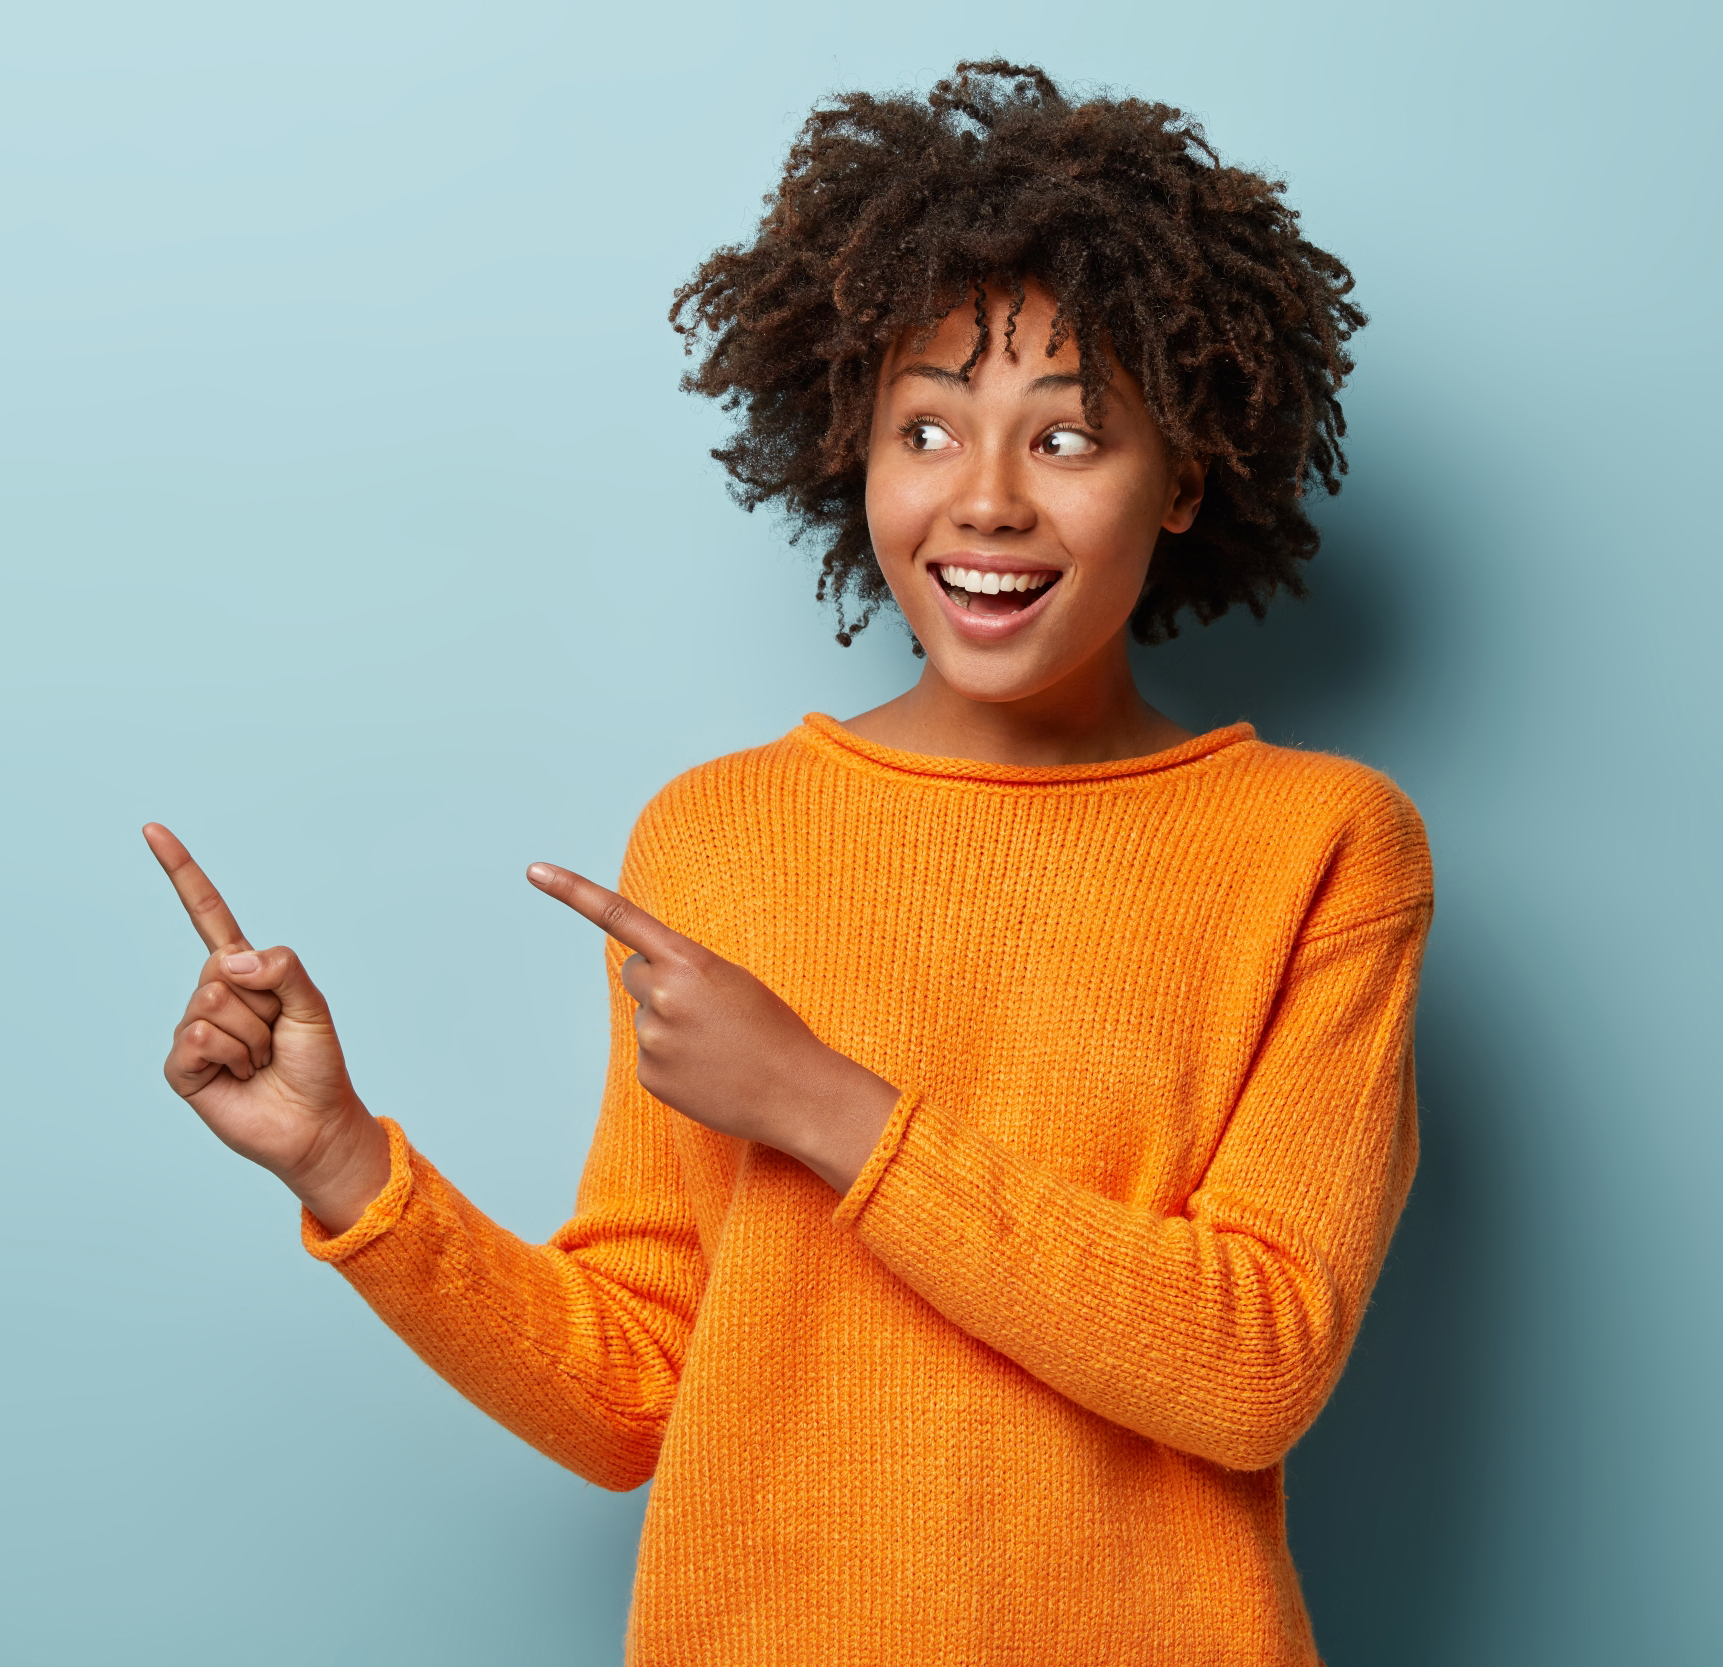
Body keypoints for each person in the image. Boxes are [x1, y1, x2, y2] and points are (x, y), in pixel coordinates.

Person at [143, 61, 1427, 1666]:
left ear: (1185, 478)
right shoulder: (718, 833)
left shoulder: (1320, 847)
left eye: (1071, 436)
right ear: (854, 452)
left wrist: (820, 1105)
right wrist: (342, 1165)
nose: (986, 499)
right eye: (929, 426)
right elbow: (631, 1395)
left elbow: (1253, 1369)